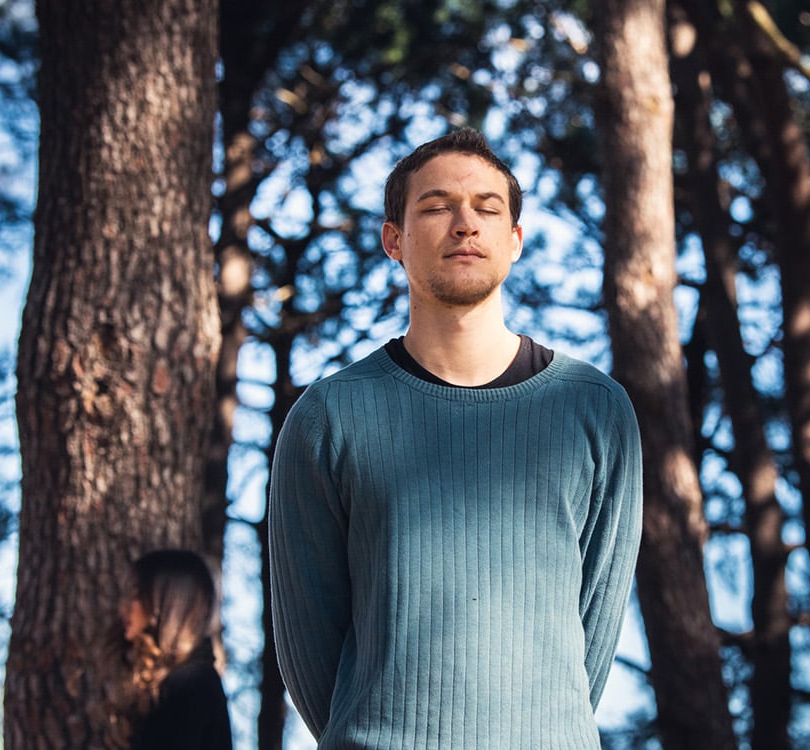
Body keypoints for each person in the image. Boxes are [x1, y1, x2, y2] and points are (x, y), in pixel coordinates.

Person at [268, 127, 644, 749]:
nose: (465, 224)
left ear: (515, 240)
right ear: (395, 240)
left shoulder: (595, 409)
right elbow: (310, 646)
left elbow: (595, 629)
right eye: (438, 207)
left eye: (488, 209)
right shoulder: (328, 415)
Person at [116, 548, 233, 750]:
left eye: (135, 595)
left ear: (167, 602)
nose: (123, 607)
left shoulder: (192, 685)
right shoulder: (186, 681)